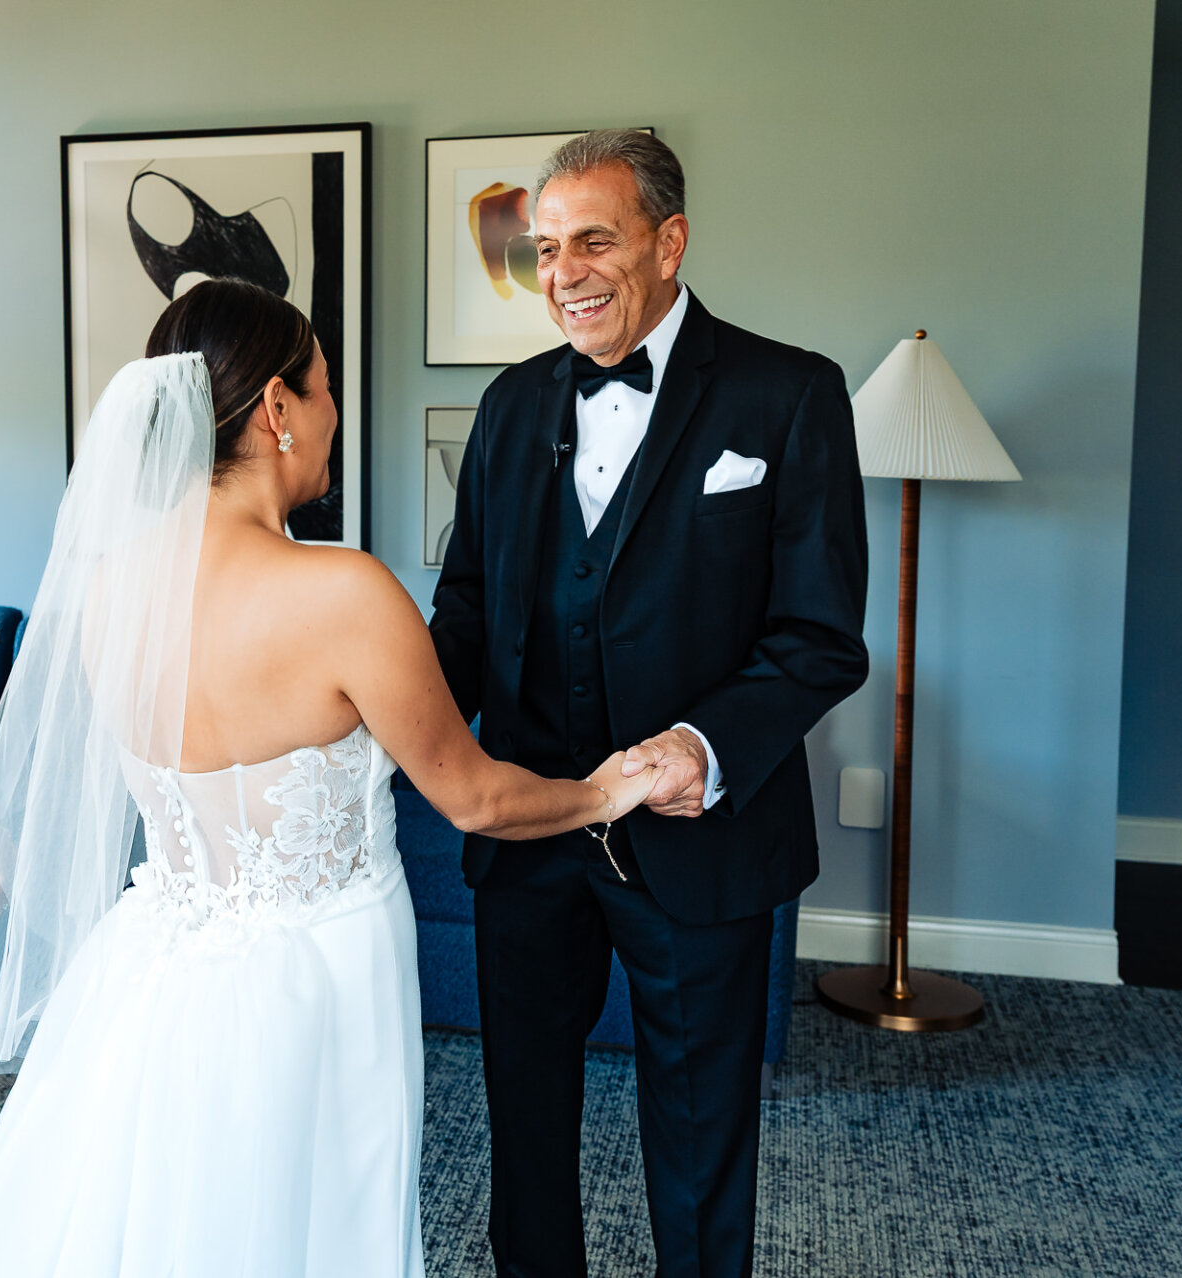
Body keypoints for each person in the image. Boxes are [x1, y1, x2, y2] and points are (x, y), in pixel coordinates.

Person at [0, 278, 659, 1277]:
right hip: (324, 969)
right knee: (315, 1215)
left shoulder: (107, 590)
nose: (333, 415)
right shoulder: (341, 591)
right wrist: (606, 791)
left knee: (160, 1209)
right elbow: (474, 795)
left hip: (154, 965)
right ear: (275, 408)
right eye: (322, 388)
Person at [429, 129, 870, 1278]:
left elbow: (820, 638)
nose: (562, 270)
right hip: (529, 835)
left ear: (669, 243)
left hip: (703, 839)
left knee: (700, 1129)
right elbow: (465, 618)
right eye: (543, 247)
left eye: (593, 240)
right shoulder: (510, 407)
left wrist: (699, 744)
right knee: (523, 1120)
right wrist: (373, 727)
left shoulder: (792, 394)